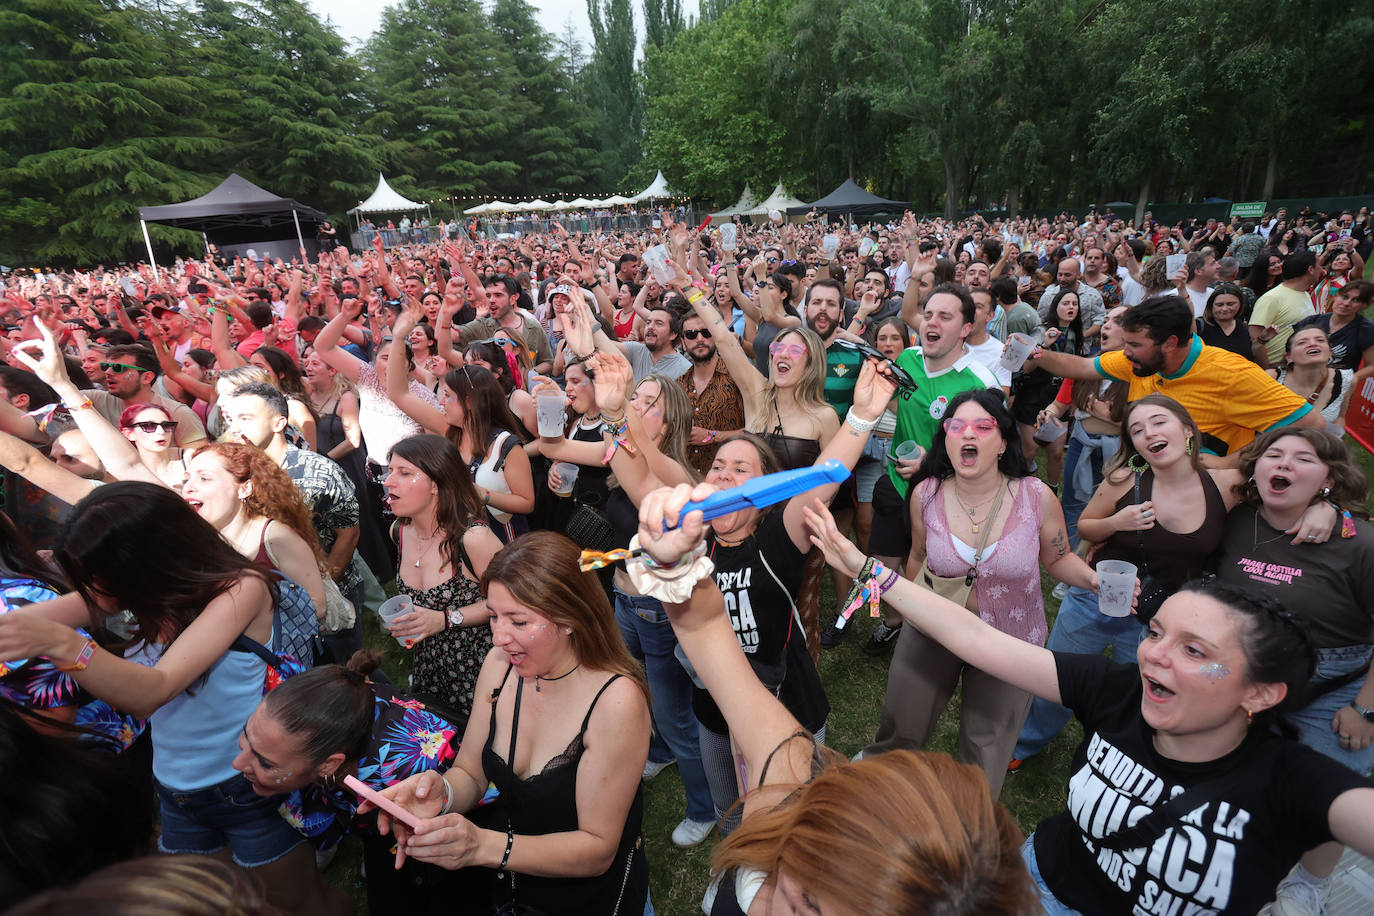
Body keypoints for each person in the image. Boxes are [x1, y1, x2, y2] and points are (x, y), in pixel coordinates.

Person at [804, 502, 1374, 915]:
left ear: (1260, 693)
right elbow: (978, 641)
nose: (1153, 657)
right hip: (1031, 887)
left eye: (1193, 650)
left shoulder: (1291, 781)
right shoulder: (1117, 689)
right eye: (1155, 633)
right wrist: (867, 569)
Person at [627, 486, 1034, 915]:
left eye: (807, 907)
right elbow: (708, 630)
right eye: (799, 857)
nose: (768, 896)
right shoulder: (790, 790)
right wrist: (675, 563)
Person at [0, 483, 346, 914]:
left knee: (298, 906)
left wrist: (65, 644)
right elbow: (15, 625)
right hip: (177, 794)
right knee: (221, 903)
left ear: (150, 558)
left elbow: (155, 690)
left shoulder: (241, 589)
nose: (91, 590)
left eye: (98, 576)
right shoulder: (134, 590)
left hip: (247, 786)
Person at [365, 532, 653, 916]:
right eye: (494, 615)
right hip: (512, 892)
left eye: (518, 620)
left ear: (569, 618)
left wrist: (482, 846)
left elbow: (597, 849)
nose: (499, 637)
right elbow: (470, 771)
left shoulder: (615, 702)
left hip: (590, 901)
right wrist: (443, 793)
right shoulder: (500, 668)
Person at [864, 389, 1097, 795]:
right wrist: (912, 611)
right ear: (947, 440)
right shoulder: (927, 494)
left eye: (982, 426)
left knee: (986, 750)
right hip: (934, 629)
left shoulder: (1035, 496)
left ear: (1003, 441)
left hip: (1011, 638)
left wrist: (1094, 580)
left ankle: (966, 838)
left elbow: (1057, 560)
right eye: (956, 426)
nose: (967, 433)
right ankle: (880, 806)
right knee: (900, 732)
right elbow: (918, 559)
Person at [1213, 427, 1374, 913]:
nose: (1284, 464)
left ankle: (1309, 883)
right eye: (1274, 455)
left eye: (1303, 459)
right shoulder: (1237, 519)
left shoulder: (1358, 541)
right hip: (1245, 668)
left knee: (1330, 790)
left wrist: (1364, 709)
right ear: (1256, 469)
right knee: (1225, 773)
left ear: (1329, 477)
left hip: (1331, 683)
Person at [233, 653, 475, 916]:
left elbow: (476, 794)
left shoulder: (409, 770)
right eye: (246, 735)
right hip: (378, 825)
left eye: (266, 763)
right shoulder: (290, 708)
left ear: (328, 765)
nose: (238, 763)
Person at [1025, 294, 1320, 466]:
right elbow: (1082, 367)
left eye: (1135, 345)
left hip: (1202, 494)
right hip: (1146, 475)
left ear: (1169, 343)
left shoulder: (1232, 374)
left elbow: (1313, 427)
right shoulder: (1138, 360)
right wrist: (1034, 353)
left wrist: (1228, 463)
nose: (1124, 352)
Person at [385, 305, 535, 543]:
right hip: (463, 542)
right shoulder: (449, 430)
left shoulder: (505, 445)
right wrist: (398, 338)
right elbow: (398, 393)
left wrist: (480, 494)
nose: (442, 401)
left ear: (468, 402)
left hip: (505, 545)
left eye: (449, 396)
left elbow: (526, 503)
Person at [383, 434, 503, 722]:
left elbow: (517, 603)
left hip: (481, 671)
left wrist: (447, 619)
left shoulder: (473, 539)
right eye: (389, 471)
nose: (388, 481)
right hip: (430, 671)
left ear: (436, 484)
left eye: (404, 473)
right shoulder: (398, 532)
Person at [1269, 322, 1354, 436]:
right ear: (1289, 357)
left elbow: (1340, 418)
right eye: (1302, 342)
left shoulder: (1346, 380)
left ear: (1330, 353)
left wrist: (1336, 439)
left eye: (1320, 340)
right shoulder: (1271, 378)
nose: (1312, 344)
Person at [1250, 251, 1321, 370]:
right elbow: (1255, 338)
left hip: (1296, 368)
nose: (1321, 269)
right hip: (1275, 371)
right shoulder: (1272, 298)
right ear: (1311, 269)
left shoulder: (1304, 294)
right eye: (1319, 265)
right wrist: (1268, 370)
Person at [1314, 280, 1374, 379]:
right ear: (1336, 296)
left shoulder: (1366, 330)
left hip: (1335, 387)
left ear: (1364, 305)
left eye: (1355, 300)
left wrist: (1351, 380)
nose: (1347, 303)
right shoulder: (1313, 321)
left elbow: (1371, 365)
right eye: (1345, 297)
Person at [1195, 282, 1253, 359]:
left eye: (1230, 304)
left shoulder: (1243, 328)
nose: (1225, 309)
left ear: (1240, 304)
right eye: (1219, 305)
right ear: (1211, 306)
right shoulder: (1199, 326)